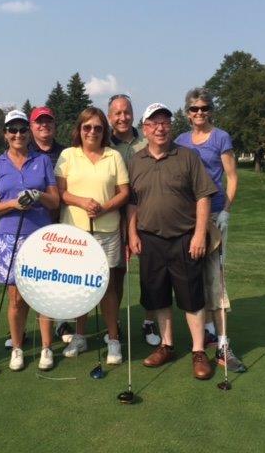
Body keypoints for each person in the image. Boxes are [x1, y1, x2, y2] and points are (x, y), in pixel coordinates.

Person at [128, 103, 217, 380]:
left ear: (171, 126)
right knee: (159, 296)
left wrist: (200, 234)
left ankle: (199, 351)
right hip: (150, 240)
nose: (160, 127)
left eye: (165, 122)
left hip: (184, 238)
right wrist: (131, 234)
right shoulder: (135, 162)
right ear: (145, 129)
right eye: (153, 123)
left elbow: (203, 196)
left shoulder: (187, 157)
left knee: (192, 298)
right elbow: (132, 203)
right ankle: (167, 345)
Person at [174, 88, 246, 372]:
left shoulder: (221, 138)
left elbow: (231, 177)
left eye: (204, 108)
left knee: (215, 278)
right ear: (187, 113)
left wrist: (226, 211)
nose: (199, 113)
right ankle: (204, 333)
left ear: (210, 110)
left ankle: (224, 343)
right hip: (187, 218)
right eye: (194, 109)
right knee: (193, 277)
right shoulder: (180, 140)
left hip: (215, 214)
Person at [0, 110, 60, 371]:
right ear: (5, 134)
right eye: (12, 130)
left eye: (22, 130)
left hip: (40, 235)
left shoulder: (42, 161)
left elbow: (55, 200)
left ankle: (47, 347)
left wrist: (37, 195)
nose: (18, 134)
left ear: (29, 132)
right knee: (16, 297)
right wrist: (13, 203)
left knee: (42, 294)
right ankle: (17, 348)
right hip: (8, 236)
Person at [54, 107, 129, 365]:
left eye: (98, 128)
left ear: (104, 130)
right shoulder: (67, 155)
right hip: (75, 232)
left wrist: (103, 207)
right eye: (87, 127)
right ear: (80, 130)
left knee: (107, 288)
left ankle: (113, 338)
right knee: (80, 287)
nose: (92, 132)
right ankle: (80, 335)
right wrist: (83, 202)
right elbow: (61, 193)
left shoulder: (113, 156)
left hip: (107, 230)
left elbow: (123, 192)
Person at [107, 94, 161, 347]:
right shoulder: (102, 143)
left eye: (126, 112)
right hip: (113, 218)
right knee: (116, 273)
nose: (122, 117)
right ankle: (113, 320)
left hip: (147, 214)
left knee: (150, 272)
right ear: (110, 117)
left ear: (133, 113)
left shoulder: (145, 141)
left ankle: (150, 319)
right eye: (117, 113)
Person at [28, 106, 74, 344]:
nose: (43, 125)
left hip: (61, 221)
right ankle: (21, 329)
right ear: (31, 126)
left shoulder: (66, 153)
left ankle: (61, 322)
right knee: (31, 278)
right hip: (32, 223)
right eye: (39, 122)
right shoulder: (24, 152)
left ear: (54, 125)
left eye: (48, 121)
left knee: (58, 277)